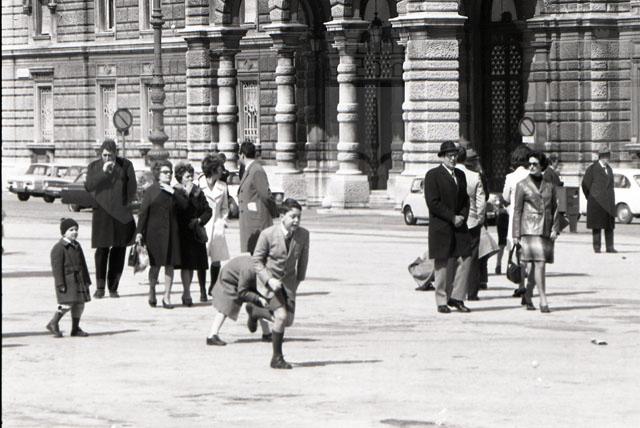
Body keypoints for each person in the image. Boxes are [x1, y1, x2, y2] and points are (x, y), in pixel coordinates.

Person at [253, 198, 310, 369]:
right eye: (293, 217)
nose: (296, 221)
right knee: (281, 316)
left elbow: (303, 261)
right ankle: (276, 358)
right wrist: (268, 279)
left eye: (299, 217)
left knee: (288, 321)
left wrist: (297, 283)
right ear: (282, 216)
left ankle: (257, 311)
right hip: (269, 283)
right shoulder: (267, 234)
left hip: (289, 283)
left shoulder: (303, 235)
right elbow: (256, 261)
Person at [84, 138, 137, 298]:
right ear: (101, 154)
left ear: (116, 154)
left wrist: (124, 204)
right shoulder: (94, 166)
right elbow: (89, 186)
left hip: (121, 214)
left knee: (119, 250)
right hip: (102, 214)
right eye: (105, 155)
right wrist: (103, 173)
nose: (108, 158)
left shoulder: (126, 165)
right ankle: (100, 288)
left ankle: (113, 287)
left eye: (111, 155)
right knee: (102, 250)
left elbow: (132, 187)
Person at [424, 141, 472, 314]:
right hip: (442, 226)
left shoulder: (460, 174)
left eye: (455, 155)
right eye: (449, 156)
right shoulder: (433, 175)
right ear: (442, 157)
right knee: (442, 264)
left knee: (466, 258)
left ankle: (457, 297)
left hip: (459, 225)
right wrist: (452, 217)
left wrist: (462, 216)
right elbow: (433, 202)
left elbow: (466, 199)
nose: (453, 159)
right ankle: (441, 300)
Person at [512, 151, 561, 313]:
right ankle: (543, 299)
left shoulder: (549, 186)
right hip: (529, 229)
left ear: (542, 166)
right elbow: (517, 210)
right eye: (529, 164)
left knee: (536, 266)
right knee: (539, 264)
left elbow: (555, 208)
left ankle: (527, 294)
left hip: (545, 229)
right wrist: (516, 234)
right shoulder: (522, 185)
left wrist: (555, 229)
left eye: (535, 164)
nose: (531, 166)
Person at [136, 160, 189, 309]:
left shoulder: (175, 191)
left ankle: (167, 296)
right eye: (165, 172)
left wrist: (173, 192)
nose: (168, 175)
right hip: (154, 234)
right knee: (155, 265)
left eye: (170, 172)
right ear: (158, 173)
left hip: (172, 233)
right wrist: (139, 232)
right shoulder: (151, 191)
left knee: (170, 265)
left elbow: (185, 206)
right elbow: (143, 213)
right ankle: (152, 290)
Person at [205, 256, 274, 346]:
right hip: (228, 279)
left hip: (241, 277)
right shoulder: (249, 270)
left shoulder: (260, 269)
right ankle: (212, 335)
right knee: (226, 306)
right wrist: (258, 298)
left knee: (260, 301)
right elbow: (242, 291)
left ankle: (266, 333)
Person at [175, 162, 212, 305]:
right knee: (187, 265)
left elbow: (208, 210)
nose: (190, 179)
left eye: (191, 176)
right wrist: (186, 194)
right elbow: (178, 210)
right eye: (187, 177)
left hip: (196, 231)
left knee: (200, 263)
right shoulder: (176, 191)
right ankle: (187, 292)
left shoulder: (198, 192)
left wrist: (199, 220)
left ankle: (202, 291)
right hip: (183, 232)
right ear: (180, 178)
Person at [47, 218, 92, 338]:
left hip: (79, 280)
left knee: (80, 304)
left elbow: (83, 264)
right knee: (67, 304)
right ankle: (53, 322)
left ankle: (75, 328)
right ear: (64, 232)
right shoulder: (59, 247)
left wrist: (87, 279)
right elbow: (57, 268)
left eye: (76, 229)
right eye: (71, 230)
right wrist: (60, 283)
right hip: (68, 281)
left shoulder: (77, 245)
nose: (75, 232)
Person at [501, 144, 533, 297]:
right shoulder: (534, 175)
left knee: (518, 253)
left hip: (516, 219)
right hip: (532, 218)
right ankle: (530, 286)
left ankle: (521, 285)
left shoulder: (510, 177)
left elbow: (505, 197)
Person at [197, 155, 231, 297]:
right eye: (220, 168)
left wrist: (222, 221)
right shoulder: (198, 185)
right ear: (213, 169)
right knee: (201, 259)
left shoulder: (223, 186)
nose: (222, 170)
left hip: (217, 226)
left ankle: (213, 286)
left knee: (216, 259)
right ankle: (202, 290)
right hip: (202, 226)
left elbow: (225, 208)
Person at [456, 147, 486, 301]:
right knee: (473, 257)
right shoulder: (475, 176)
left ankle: (455, 290)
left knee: (455, 256)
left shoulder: (451, 175)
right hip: (472, 221)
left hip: (455, 221)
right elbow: (481, 201)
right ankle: (472, 292)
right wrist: (480, 218)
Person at [237, 141, 274, 254]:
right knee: (250, 254)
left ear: (242, 155)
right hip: (250, 222)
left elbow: (265, 195)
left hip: (256, 222)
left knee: (257, 254)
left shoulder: (256, 170)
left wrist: (275, 212)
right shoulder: (249, 169)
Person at [581, 146, 617, 253]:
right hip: (597, 203)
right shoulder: (592, 169)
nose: (608, 159)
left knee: (609, 226)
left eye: (608, 156)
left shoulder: (609, 169)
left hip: (608, 202)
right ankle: (597, 248)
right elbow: (585, 185)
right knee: (597, 226)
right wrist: (591, 197)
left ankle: (610, 247)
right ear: (600, 157)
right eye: (606, 156)